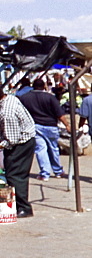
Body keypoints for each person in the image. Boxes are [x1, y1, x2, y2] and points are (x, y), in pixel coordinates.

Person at [21, 78, 69, 180]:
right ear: (44, 86)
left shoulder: (25, 98)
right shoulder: (50, 97)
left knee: (40, 149)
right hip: (51, 126)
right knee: (54, 148)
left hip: (35, 126)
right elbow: (59, 114)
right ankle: (58, 171)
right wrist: (67, 125)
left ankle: (44, 173)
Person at [0, 89, 37, 217]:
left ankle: (24, 207)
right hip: (24, 139)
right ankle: (17, 205)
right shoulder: (10, 98)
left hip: (21, 144)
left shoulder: (7, 113)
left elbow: (12, 139)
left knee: (14, 175)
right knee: (14, 174)